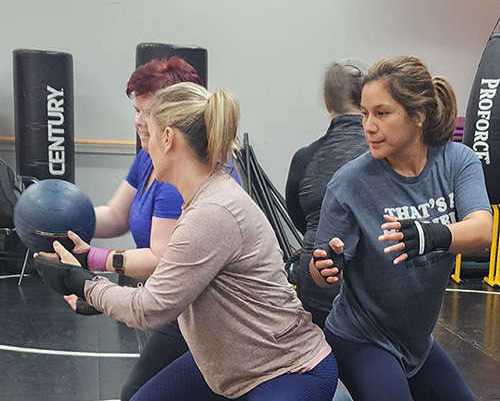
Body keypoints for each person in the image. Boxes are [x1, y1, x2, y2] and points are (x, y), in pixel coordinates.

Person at [35, 82, 338, 400]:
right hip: (234, 367)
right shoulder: (204, 197)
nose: (146, 147)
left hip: (287, 370)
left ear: (168, 138)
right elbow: (173, 283)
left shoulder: (213, 211)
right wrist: (90, 270)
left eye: (150, 134)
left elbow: (148, 309)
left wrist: (81, 282)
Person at [310, 55, 492, 401]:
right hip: (361, 338)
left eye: (382, 113)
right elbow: (320, 276)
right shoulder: (349, 183)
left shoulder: (456, 161)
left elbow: (483, 229)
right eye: (365, 113)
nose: (368, 126)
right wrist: (325, 269)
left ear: (418, 116)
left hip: (417, 341)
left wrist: (430, 235)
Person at [65, 57, 204, 401]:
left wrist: (91, 263)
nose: (139, 121)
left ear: (176, 115)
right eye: (136, 110)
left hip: (202, 313)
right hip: (177, 306)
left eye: (148, 112)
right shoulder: (149, 156)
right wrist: (63, 222)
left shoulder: (180, 176)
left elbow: (162, 259)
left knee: (138, 394)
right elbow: (117, 215)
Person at [285, 58, 369, 329]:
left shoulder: (305, 158)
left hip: (321, 291)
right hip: (367, 294)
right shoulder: (387, 158)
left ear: (326, 101)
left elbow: (299, 218)